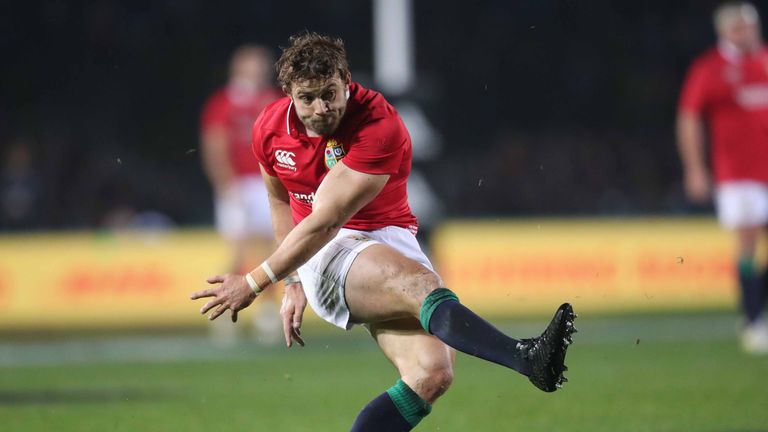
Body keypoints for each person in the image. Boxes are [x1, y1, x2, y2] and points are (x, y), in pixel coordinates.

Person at [191, 32, 576, 431]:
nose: (321, 109)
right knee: (419, 284)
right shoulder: (269, 128)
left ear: (347, 79)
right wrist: (284, 281)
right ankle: (527, 359)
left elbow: (328, 216)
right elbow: (283, 203)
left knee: (431, 374)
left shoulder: (379, 124)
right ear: (288, 92)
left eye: (330, 93)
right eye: (307, 98)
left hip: (381, 237)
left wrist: (257, 280)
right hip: (327, 251)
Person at [677, 1, 768, 354]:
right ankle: (752, 321)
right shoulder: (710, 69)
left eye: (750, 26)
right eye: (738, 28)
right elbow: (689, 119)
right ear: (724, 32)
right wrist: (695, 168)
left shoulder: (764, 61)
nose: (746, 33)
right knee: (748, 241)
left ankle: (754, 310)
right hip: (737, 173)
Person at [200, 44, 283, 344]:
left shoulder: (271, 99)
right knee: (238, 250)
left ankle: (268, 312)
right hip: (238, 184)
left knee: (272, 251)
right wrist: (225, 184)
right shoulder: (223, 103)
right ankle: (223, 310)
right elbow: (215, 145)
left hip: (267, 183)